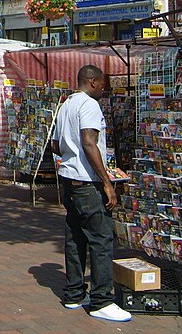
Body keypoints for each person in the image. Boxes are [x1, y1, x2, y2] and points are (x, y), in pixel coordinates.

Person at [50, 64, 131, 323]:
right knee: (100, 239)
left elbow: (54, 143)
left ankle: (74, 294)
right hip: (87, 183)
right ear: (93, 82)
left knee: (75, 238)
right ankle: (101, 300)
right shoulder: (89, 105)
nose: (104, 88)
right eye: (102, 83)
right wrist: (106, 182)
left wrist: (71, 159)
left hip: (69, 180)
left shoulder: (66, 104)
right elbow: (88, 141)